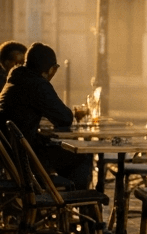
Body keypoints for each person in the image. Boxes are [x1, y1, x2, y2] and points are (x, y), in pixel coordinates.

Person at [0, 42, 93, 188]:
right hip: (26, 160)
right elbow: (65, 117)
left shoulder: (15, 79)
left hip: (11, 158)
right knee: (81, 156)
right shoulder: (37, 83)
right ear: (52, 70)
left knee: (60, 151)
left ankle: (63, 198)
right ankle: (77, 199)